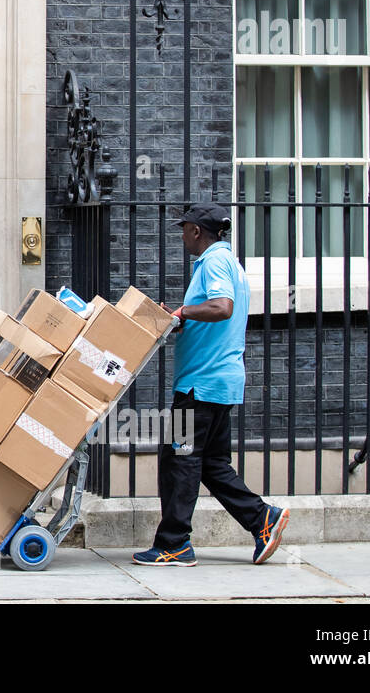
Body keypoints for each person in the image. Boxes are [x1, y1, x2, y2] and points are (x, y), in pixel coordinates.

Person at [132, 202, 289, 566]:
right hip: (220, 383)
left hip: (199, 387)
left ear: (197, 231)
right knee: (211, 464)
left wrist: (183, 312)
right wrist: (180, 318)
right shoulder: (230, 263)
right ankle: (262, 518)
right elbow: (215, 315)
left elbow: (221, 307)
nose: (182, 235)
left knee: (180, 461)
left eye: (184, 228)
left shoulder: (214, 263)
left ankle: (174, 544)